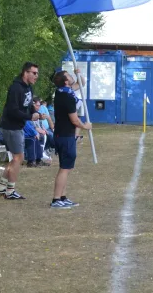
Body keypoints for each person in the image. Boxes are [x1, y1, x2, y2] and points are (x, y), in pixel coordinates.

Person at [0, 62, 40, 200]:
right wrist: (29, 116)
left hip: (17, 126)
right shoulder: (15, 88)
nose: (36, 76)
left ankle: (2, 187)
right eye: (34, 73)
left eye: (37, 73)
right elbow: (14, 110)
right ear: (25, 72)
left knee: (16, 157)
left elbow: (28, 105)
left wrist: (35, 112)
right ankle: (10, 191)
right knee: (18, 158)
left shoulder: (28, 88)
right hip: (11, 127)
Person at [50, 70, 92, 208]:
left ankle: (62, 197)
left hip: (63, 135)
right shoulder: (66, 97)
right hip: (65, 135)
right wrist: (85, 126)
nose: (72, 76)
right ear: (66, 81)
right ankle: (56, 200)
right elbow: (74, 120)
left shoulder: (63, 91)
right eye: (69, 75)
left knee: (66, 168)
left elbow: (82, 83)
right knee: (64, 168)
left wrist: (78, 73)